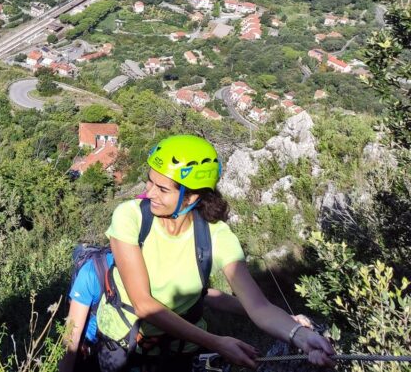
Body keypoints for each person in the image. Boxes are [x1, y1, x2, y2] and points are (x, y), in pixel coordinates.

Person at [91, 134, 335, 371]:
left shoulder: (215, 236)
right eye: (150, 181)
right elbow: (143, 304)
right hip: (123, 345)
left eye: (162, 189)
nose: (149, 192)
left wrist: (299, 335)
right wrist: (215, 342)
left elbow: (258, 306)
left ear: (192, 197)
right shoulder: (130, 216)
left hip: (179, 350)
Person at [57, 250, 313, 372]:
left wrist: (283, 320)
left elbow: (213, 297)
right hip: (109, 350)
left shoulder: (154, 267)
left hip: (144, 351)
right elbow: (72, 334)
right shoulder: (99, 270)